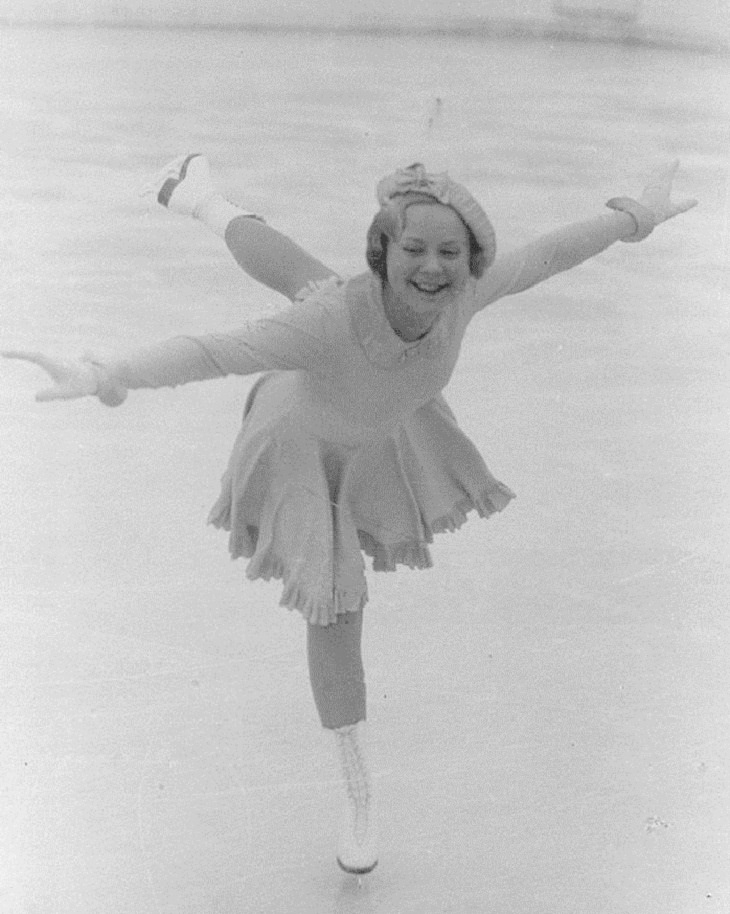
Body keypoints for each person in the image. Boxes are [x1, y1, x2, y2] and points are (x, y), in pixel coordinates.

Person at [3, 154, 696, 876]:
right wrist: (106, 375)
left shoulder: (464, 295)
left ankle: (200, 194)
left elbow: (550, 253)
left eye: (450, 252)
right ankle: (358, 792)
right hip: (302, 444)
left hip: (383, 424)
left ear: (471, 258)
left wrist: (635, 217)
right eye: (414, 250)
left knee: (303, 274)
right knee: (335, 608)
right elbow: (216, 351)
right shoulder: (329, 320)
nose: (434, 268)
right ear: (382, 252)